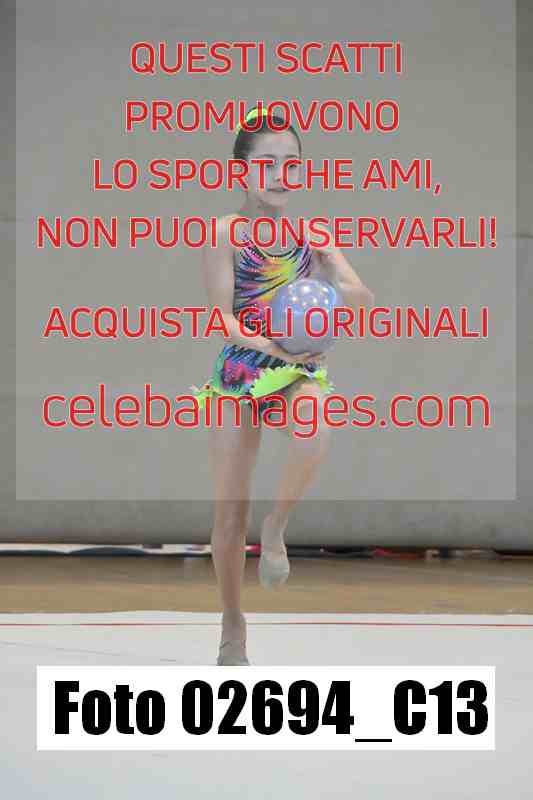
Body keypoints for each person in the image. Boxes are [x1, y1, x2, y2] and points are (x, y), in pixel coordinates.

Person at [190, 106, 375, 665]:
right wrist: (270, 345)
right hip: (242, 367)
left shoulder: (312, 235)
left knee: (314, 427)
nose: (279, 174)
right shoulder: (226, 232)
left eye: (291, 163)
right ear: (241, 170)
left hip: (297, 367)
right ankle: (233, 622)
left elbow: (363, 297)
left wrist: (331, 279)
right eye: (266, 163)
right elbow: (222, 317)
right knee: (229, 513)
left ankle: (276, 526)